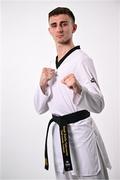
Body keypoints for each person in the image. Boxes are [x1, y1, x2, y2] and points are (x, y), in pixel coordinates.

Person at [34, 7, 111, 180]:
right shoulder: (51, 65)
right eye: (54, 25)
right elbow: (39, 109)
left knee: (91, 176)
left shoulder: (82, 60)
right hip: (58, 134)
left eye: (64, 24)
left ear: (73, 27)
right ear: (49, 31)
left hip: (81, 133)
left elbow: (99, 105)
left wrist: (79, 89)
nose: (59, 29)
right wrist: (42, 85)